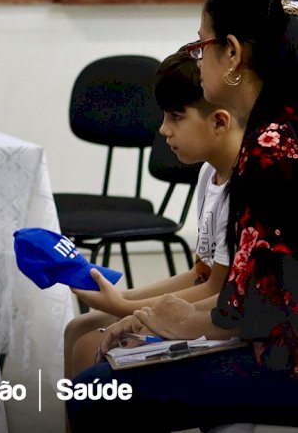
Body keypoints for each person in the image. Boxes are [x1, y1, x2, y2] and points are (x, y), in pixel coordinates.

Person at [66, 0, 298, 431]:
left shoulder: (273, 148)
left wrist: (171, 320)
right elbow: (246, 288)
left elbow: (264, 311)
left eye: (200, 46)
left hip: (284, 362)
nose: (198, 58)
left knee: (96, 391)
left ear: (232, 53)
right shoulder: (272, 129)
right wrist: (156, 314)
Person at [63, 50, 244, 378]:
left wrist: (123, 307)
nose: (163, 130)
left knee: (89, 346)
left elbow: (216, 292)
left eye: (175, 117)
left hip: (227, 324)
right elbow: (199, 275)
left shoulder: (241, 187)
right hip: (206, 309)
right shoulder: (209, 174)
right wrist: (124, 296)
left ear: (219, 121)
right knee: (78, 327)